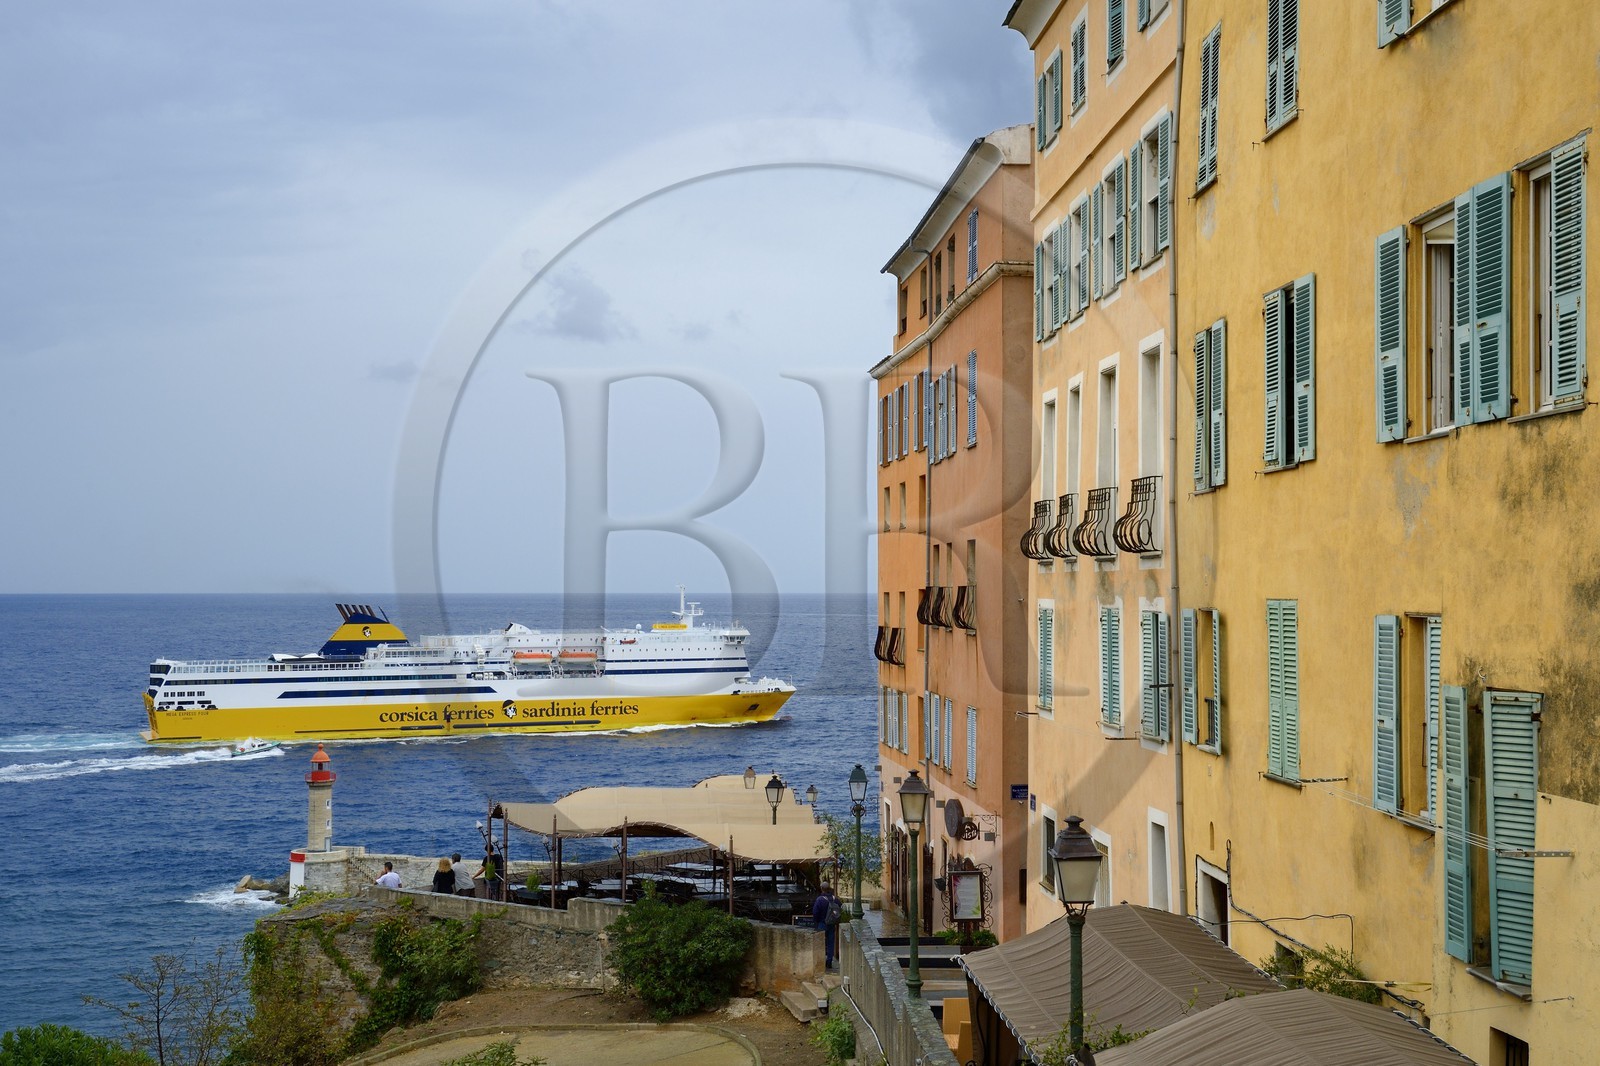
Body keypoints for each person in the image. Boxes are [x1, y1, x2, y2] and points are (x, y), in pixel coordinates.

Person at [812, 883, 841, 970]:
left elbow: (815, 912)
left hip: (822, 923)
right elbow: (840, 906)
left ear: (821, 888)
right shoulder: (835, 899)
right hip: (832, 923)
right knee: (830, 943)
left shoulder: (820, 900)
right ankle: (829, 961)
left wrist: (816, 921)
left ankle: (820, 962)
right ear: (829, 888)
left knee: (820, 943)